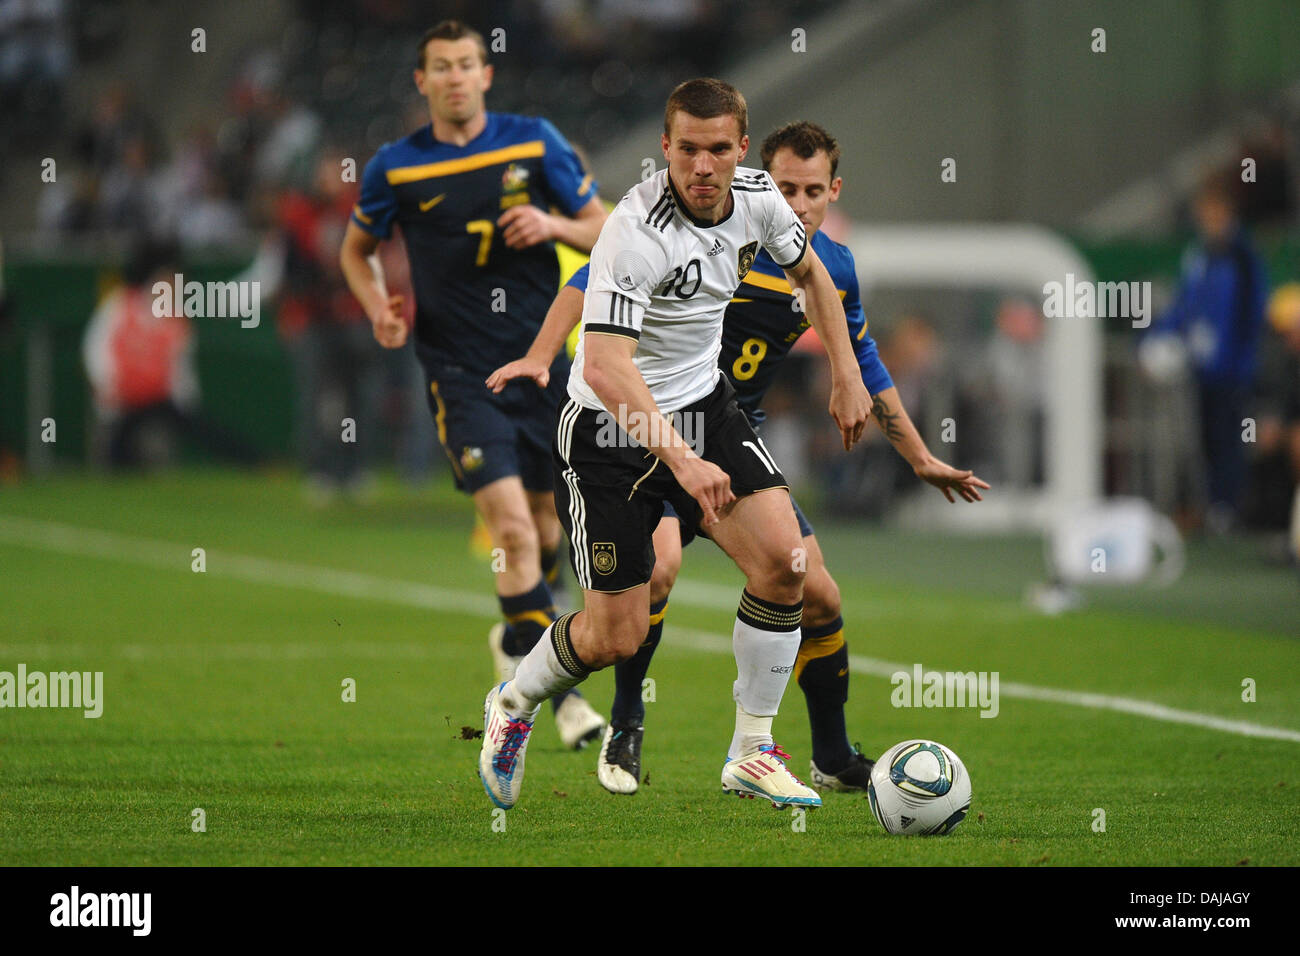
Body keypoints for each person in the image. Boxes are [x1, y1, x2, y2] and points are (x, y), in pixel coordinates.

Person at [490, 121, 988, 796]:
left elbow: (844, 324)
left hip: (718, 422)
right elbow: (593, 317)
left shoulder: (800, 241)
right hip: (621, 429)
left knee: (800, 574)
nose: (800, 203)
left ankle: (775, 752)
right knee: (626, 619)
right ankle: (563, 710)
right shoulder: (652, 232)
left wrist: (905, 438)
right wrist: (542, 355)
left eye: (814, 191)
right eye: (789, 187)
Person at [339, 20, 609, 748]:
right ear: (421, 81)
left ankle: (515, 645)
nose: (455, 77)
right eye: (441, 67)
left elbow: (608, 229)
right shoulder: (396, 166)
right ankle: (559, 705)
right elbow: (355, 250)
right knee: (514, 532)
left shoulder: (534, 142)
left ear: (486, 75)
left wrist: (551, 224)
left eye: (467, 64)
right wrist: (378, 310)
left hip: (545, 364)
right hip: (460, 375)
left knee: (550, 528)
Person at [1149, 173, 1269, 532]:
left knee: (1233, 438)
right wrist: (1157, 339)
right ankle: (1213, 505)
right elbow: (1185, 306)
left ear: (1227, 213)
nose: (1209, 220)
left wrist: (1240, 360)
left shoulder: (1243, 258)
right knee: (1205, 440)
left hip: (1233, 370)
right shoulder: (1199, 256)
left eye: (1215, 213)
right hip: (1202, 369)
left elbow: (1250, 314)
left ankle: (1231, 508)